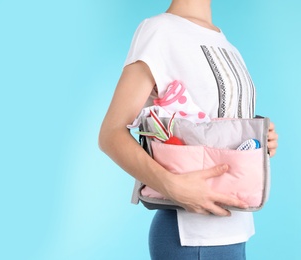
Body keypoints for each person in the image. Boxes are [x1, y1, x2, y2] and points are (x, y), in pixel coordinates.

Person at [98, 0, 278, 259]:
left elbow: (227, 130)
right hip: (190, 236)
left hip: (238, 228)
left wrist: (264, 143)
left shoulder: (227, 45)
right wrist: (171, 185)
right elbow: (110, 134)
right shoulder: (159, 31)